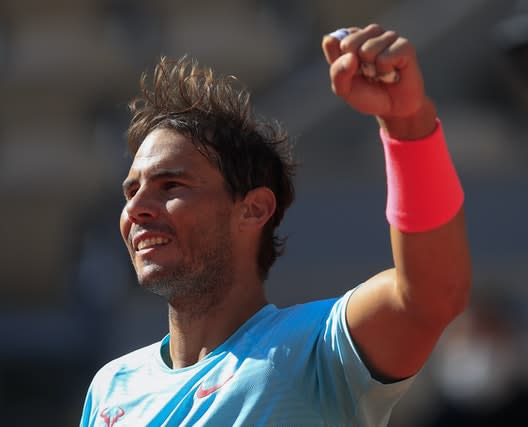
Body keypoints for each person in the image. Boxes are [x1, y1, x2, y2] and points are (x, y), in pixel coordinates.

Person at [79, 23, 471, 426]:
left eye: (171, 185)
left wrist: (407, 124)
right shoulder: (111, 387)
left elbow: (430, 294)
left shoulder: (316, 350)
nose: (137, 208)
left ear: (253, 209)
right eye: (131, 192)